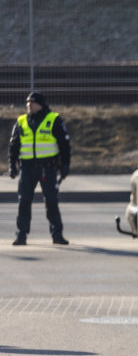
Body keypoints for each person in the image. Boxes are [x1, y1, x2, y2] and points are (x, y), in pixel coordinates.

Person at [9, 91, 71, 246]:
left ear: (41, 104)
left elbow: (65, 145)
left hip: (47, 168)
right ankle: (21, 235)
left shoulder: (53, 120)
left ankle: (57, 235)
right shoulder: (21, 121)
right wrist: (12, 165)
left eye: (33, 102)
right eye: (27, 102)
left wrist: (65, 165)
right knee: (24, 202)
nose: (29, 105)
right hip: (27, 168)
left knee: (51, 202)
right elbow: (14, 146)